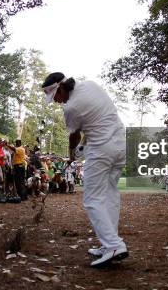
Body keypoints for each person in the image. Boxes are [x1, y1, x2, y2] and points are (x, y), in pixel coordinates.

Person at [42, 72, 128, 267]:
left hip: (101, 150)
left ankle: (114, 245)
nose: (56, 101)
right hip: (121, 144)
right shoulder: (90, 85)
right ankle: (108, 244)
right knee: (110, 195)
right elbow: (96, 121)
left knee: (92, 199)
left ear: (60, 88)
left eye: (55, 97)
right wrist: (81, 146)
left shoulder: (71, 108)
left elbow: (74, 135)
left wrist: (72, 152)